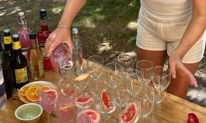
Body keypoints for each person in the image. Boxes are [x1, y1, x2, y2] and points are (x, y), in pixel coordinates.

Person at [45, 0, 206, 98]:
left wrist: (179, 53)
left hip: (187, 30)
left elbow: (201, 14)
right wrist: (63, 25)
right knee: (147, 91)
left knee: (174, 100)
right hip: (149, 24)